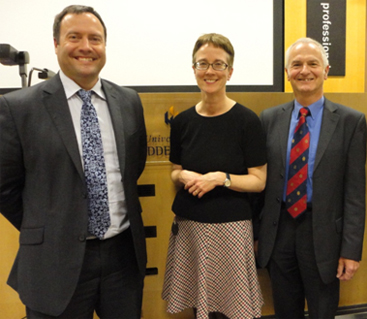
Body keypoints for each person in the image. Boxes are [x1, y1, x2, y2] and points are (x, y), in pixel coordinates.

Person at [0, 5, 147, 318]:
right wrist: (50, 225)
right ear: (56, 44)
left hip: (122, 259)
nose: (86, 47)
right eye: (74, 37)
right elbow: (5, 187)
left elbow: (133, 168)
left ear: (105, 46)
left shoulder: (129, 102)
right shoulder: (18, 108)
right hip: (52, 262)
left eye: (95, 38)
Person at [256, 37, 367, 319]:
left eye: (312, 63)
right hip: (279, 230)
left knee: (322, 311)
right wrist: (257, 236)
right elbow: (260, 186)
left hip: (325, 235)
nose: (304, 70)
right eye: (297, 64)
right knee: (285, 310)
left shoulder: (350, 121)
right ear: (287, 73)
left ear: (326, 70)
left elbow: (354, 192)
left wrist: (351, 250)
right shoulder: (268, 119)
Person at [161, 33, 266, 319]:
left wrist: (221, 178)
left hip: (231, 230)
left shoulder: (247, 121)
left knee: (233, 311)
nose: (210, 71)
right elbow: (173, 170)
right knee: (199, 310)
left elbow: (259, 180)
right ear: (193, 68)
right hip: (189, 227)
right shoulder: (181, 121)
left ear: (230, 72)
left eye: (218, 64)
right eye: (203, 63)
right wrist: (182, 176)